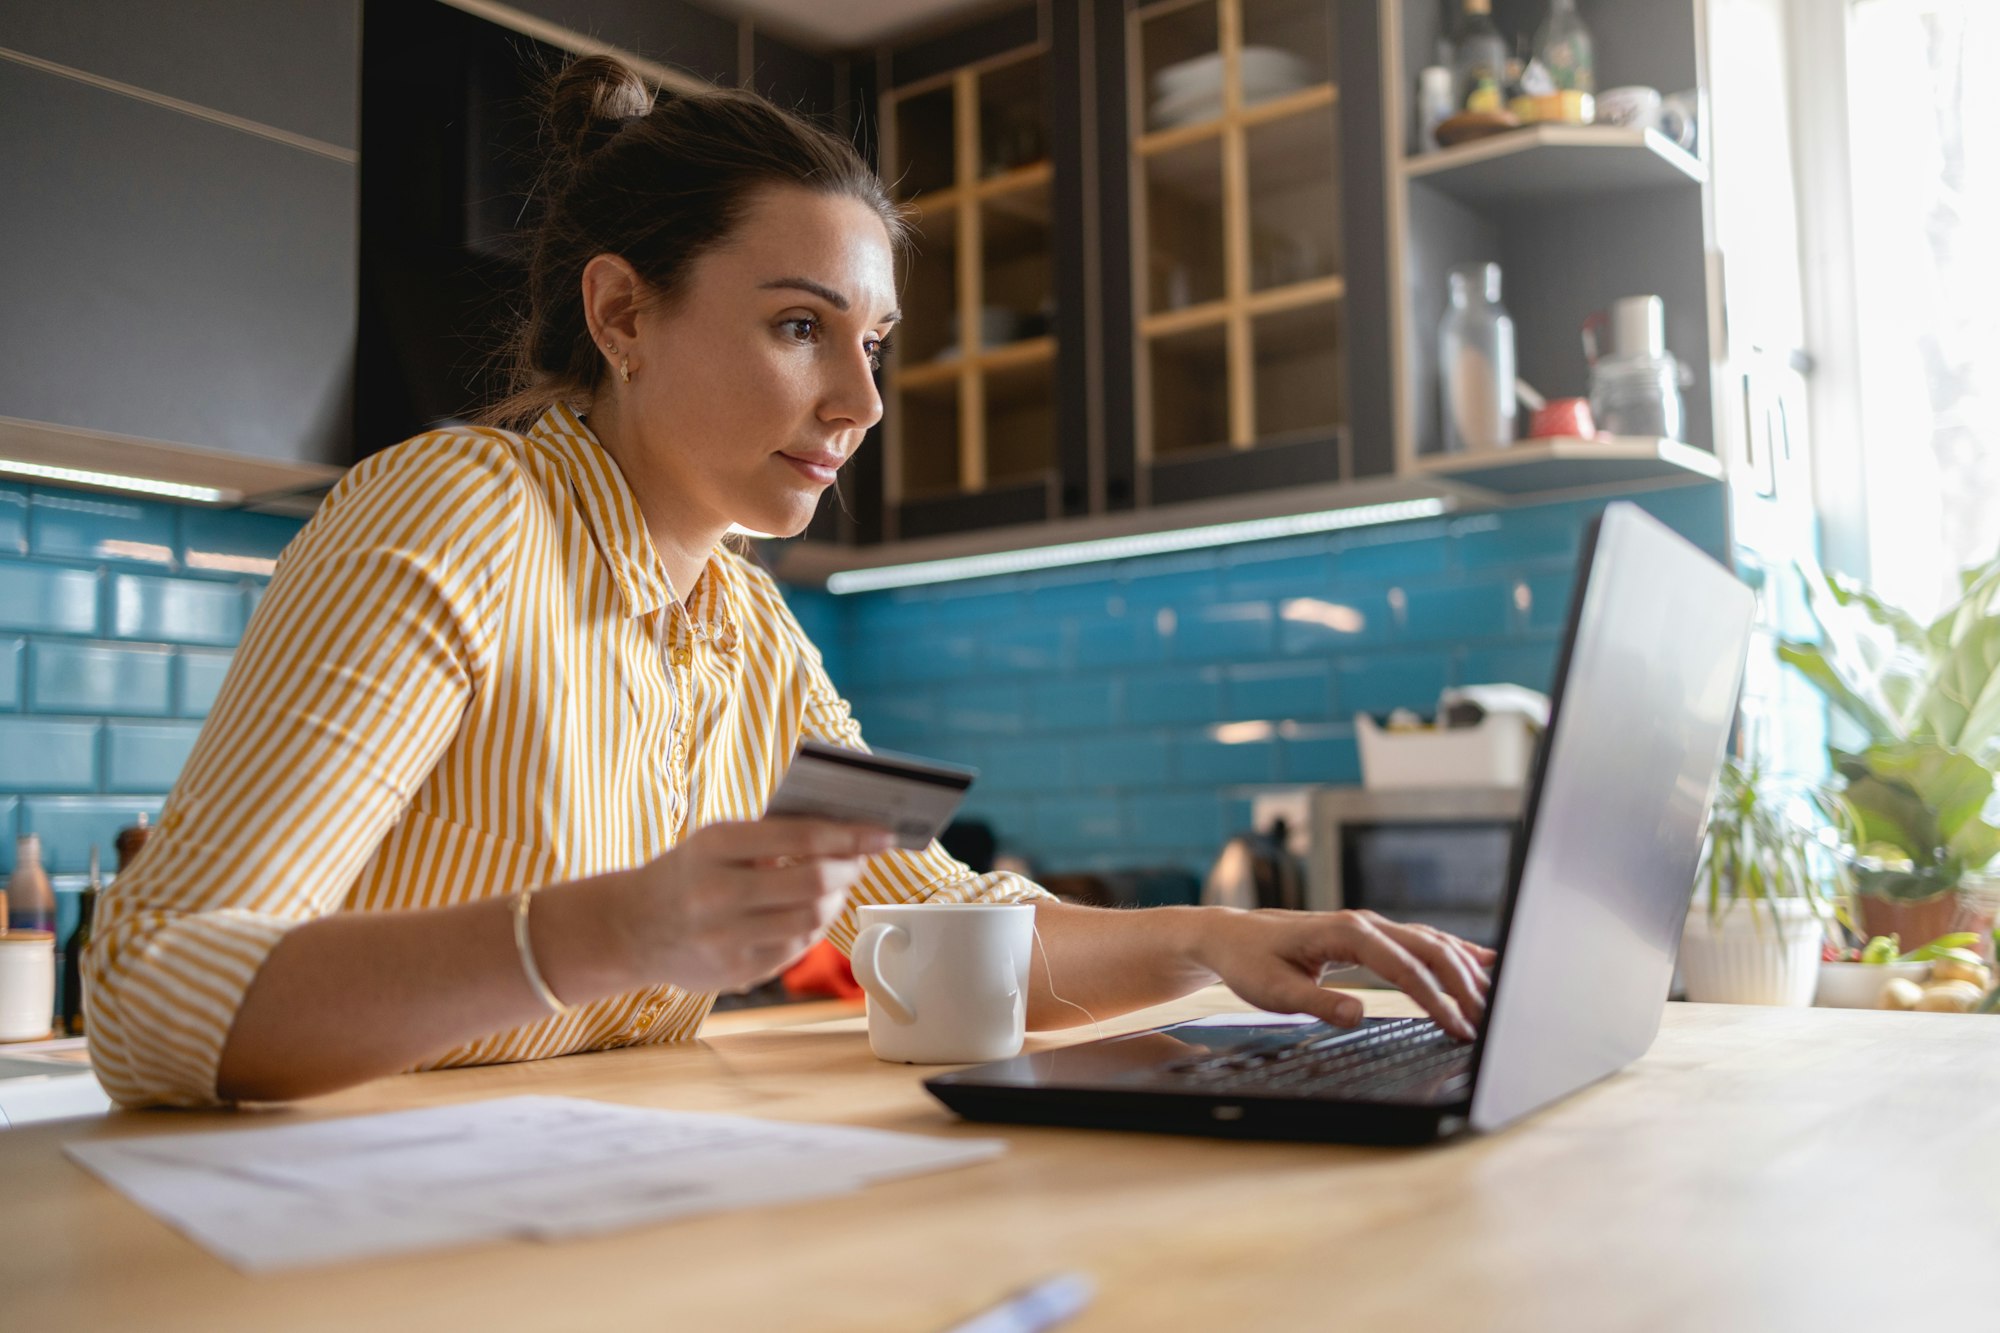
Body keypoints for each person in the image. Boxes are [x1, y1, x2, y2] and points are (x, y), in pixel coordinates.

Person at [85, 57, 1492, 1109]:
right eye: (799, 326)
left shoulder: (750, 631)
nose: (862, 398)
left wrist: (1226, 942)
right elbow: (150, 997)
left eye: (873, 342)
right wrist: (604, 929)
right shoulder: (455, 517)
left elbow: (949, 930)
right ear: (624, 313)